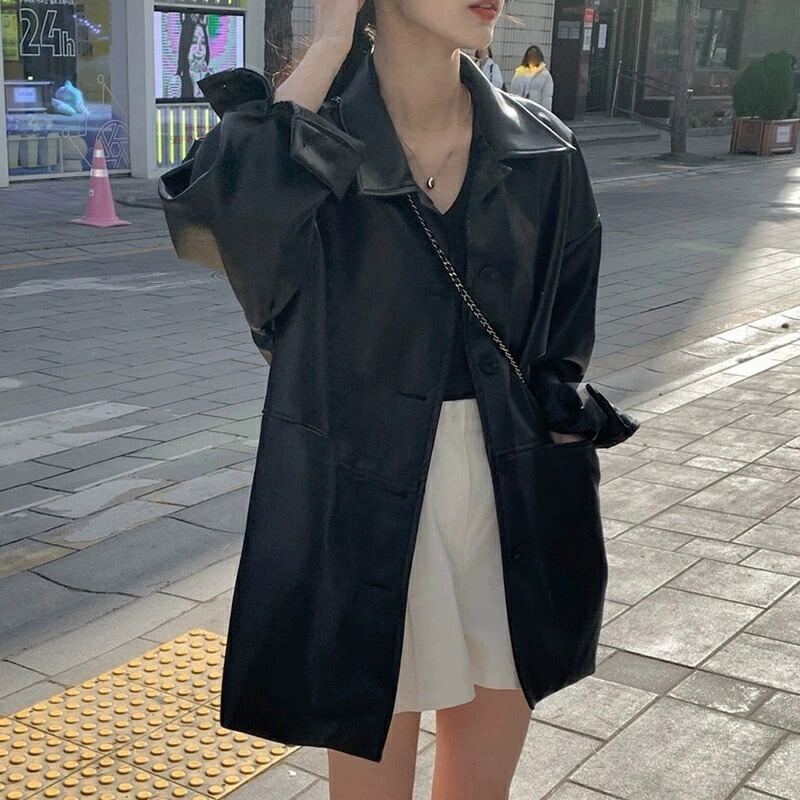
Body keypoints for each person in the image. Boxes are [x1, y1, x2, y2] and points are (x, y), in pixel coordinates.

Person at [159, 0, 639, 797]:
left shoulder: (543, 148)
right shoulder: (310, 146)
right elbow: (224, 218)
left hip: (511, 495)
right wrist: (328, 43)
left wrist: (561, 447)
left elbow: (564, 343)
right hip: (361, 500)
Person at [174, 13, 211, 99]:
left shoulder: (213, 79)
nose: (199, 49)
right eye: (194, 42)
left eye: (203, 42)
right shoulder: (176, 83)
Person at [510, 44, 554, 111]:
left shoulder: (545, 75)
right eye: (530, 56)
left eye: (535, 56)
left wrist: (545, 112)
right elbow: (513, 92)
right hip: (520, 108)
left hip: (535, 109)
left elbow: (547, 97)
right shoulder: (519, 72)